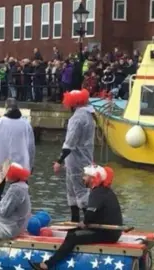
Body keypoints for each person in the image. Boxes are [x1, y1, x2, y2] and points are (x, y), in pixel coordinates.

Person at [29, 165, 122, 270]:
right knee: (74, 231)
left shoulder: (97, 193)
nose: (83, 178)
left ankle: (46, 265)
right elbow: (95, 215)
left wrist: (84, 222)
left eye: (86, 176)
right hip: (109, 231)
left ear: (93, 178)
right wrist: (84, 223)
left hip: (108, 234)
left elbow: (89, 216)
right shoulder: (105, 191)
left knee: (72, 237)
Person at [0, 98, 35, 199]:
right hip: (20, 165)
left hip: (0, 165)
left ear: (6, 108)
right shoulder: (26, 125)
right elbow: (31, 147)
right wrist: (30, 165)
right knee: (21, 194)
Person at [52, 89, 95, 222]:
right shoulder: (88, 116)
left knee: (79, 192)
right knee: (73, 191)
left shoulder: (77, 118)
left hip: (77, 161)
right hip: (83, 158)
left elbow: (69, 143)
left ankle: (88, 222)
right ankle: (75, 221)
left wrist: (59, 161)